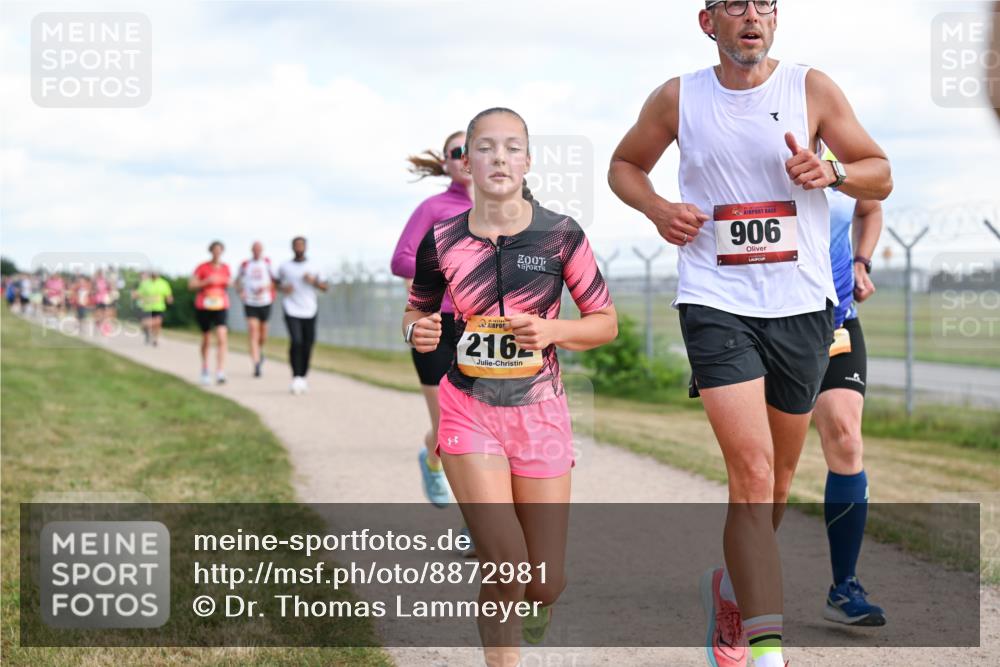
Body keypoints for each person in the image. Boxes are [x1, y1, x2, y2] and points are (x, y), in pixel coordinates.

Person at [607, 3, 892, 666]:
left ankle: (734, 583)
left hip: (801, 307)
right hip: (714, 298)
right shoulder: (678, 97)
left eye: (763, 3)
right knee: (752, 469)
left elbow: (879, 169)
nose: (751, 15)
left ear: (775, 18)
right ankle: (764, 645)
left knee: (779, 478)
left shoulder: (811, 88)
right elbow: (625, 165)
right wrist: (655, 208)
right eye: (735, 4)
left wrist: (834, 172)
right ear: (709, 22)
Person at [404, 107, 617, 666]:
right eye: (486, 147)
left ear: (527, 160)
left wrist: (554, 330)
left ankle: (534, 599)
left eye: (512, 147)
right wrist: (418, 330)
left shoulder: (561, 234)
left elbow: (605, 322)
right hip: (467, 407)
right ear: (466, 161)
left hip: (540, 414)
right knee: (505, 563)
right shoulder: (442, 238)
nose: (499, 157)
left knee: (543, 580)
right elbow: (415, 310)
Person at [814, 158, 886, 627]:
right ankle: (745, 577)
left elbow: (871, 205)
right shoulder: (750, 151)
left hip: (836, 320)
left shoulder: (835, 163)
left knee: (846, 437)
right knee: (766, 461)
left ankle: (845, 586)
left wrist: (861, 259)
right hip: (763, 327)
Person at [392, 131, 474, 508]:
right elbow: (401, 259)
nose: (467, 156)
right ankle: (432, 458)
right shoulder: (434, 207)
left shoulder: (508, 209)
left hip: (483, 327)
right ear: (447, 163)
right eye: (458, 152)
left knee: (483, 428)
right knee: (448, 427)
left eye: (476, 148)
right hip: (435, 324)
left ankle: (478, 523)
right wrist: (449, 262)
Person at [277, 237, 328, 395]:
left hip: (309, 309)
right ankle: (296, 376)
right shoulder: (285, 267)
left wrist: (313, 281)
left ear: (305, 247)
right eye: (296, 245)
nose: (299, 247)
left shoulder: (314, 266)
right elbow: (276, 283)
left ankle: (303, 376)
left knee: (308, 343)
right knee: (296, 341)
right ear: (292, 247)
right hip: (291, 309)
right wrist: (283, 288)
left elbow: (325, 287)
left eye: (301, 245)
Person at [189, 241, 231, 385]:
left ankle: (220, 370)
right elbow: (191, 285)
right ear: (211, 251)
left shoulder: (226, 268)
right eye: (215, 250)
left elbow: (230, 283)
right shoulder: (202, 267)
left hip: (221, 305)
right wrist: (206, 281)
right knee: (206, 338)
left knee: (222, 336)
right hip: (204, 305)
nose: (217, 253)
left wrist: (229, 282)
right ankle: (205, 368)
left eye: (219, 250)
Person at [236, 242, 277, 377]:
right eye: (255, 249)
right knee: (253, 331)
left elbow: (275, 280)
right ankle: (256, 363)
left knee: (263, 335)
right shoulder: (245, 265)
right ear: (251, 250)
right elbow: (237, 281)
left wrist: (267, 288)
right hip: (250, 302)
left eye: (259, 249)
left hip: (265, 301)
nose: (257, 252)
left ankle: (259, 350)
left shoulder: (267, 263)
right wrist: (241, 292)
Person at [133, 270, 173, 346]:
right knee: (145, 324)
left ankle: (155, 339)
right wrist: (142, 297)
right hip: (147, 308)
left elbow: (168, 294)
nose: (155, 275)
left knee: (158, 323)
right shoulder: (145, 283)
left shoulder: (164, 283)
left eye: (156, 274)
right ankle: (147, 333)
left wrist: (169, 299)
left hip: (159, 307)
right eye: (153, 274)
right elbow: (138, 294)